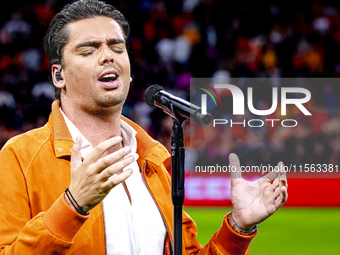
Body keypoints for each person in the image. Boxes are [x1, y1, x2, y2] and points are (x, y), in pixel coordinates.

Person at [0, 0, 288, 254]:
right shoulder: (19, 157)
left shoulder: (154, 159)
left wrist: (239, 227)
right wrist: (72, 205)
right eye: (88, 50)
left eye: (117, 47)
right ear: (58, 75)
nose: (107, 56)